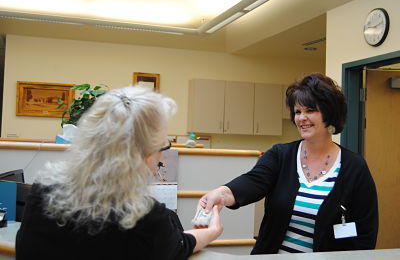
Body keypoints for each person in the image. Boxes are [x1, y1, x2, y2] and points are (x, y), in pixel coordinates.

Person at [16, 86, 223, 260]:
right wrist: (211, 230)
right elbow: (178, 246)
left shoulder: (42, 192)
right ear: (144, 155)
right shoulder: (145, 216)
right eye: (162, 147)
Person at [197, 73, 378, 254]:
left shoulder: (354, 166)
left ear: (329, 113)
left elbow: (365, 232)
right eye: (297, 112)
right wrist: (222, 193)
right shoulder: (281, 155)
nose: (301, 118)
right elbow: (253, 181)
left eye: (310, 110)